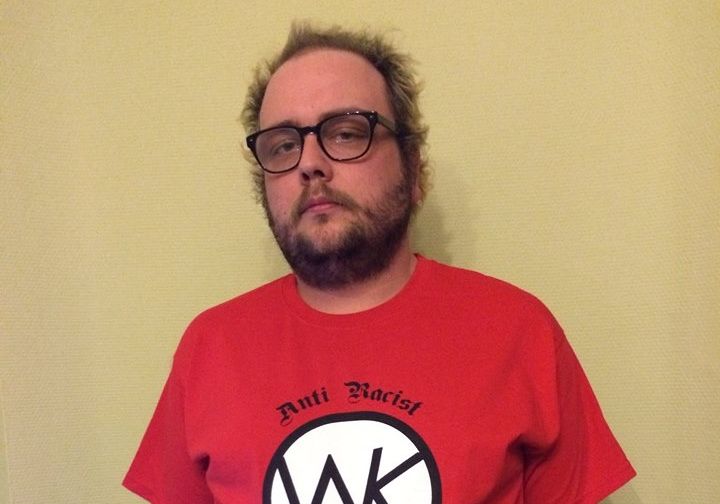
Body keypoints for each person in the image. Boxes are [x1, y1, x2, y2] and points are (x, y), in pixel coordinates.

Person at [124, 22, 636, 503]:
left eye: (346, 133)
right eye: (282, 145)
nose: (310, 163)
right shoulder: (209, 347)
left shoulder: (519, 332)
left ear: (413, 169)